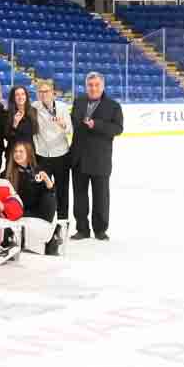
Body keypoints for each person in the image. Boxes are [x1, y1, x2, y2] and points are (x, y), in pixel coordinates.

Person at [69, 72, 123, 242]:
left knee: (101, 197)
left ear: (103, 86)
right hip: (79, 158)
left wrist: (96, 125)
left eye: (96, 85)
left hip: (100, 159)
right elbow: (72, 123)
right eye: (90, 85)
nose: (93, 88)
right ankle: (82, 229)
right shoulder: (79, 102)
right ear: (86, 86)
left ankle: (100, 230)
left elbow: (118, 129)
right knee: (79, 196)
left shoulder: (113, 106)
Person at [5, 141, 66, 256]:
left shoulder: (38, 171)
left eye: (21, 151)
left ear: (28, 154)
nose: (17, 154)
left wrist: (47, 180)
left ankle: (51, 235)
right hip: (18, 210)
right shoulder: (7, 173)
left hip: (37, 211)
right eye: (15, 152)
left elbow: (50, 193)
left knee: (49, 195)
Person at [32, 79, 74, 230]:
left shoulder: (62, 107)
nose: (43, 94)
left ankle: (63, 223)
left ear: (53, 93)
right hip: (42, 155)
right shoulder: (34, 107)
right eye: (40, 92)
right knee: (43, 190)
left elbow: (70, 130)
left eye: (46, 91)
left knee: (62, 190)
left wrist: (63, 124)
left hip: (61, 154)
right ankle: (43, 223)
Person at [4, 82, 36, 156]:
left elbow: (35, 132)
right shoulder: (6, 114)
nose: (20, 97)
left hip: (29, 152)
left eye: (23, 94)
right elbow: (7, 137)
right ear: (13, 97)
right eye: (17, 95)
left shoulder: (33, 111)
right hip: (14, 153)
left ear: (26, 96)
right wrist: (15, 124)